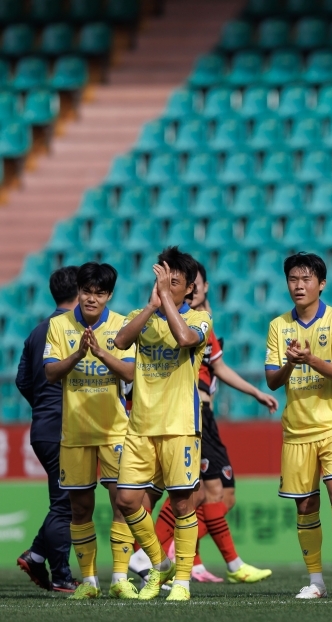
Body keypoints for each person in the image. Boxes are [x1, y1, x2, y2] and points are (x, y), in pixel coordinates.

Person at [149, 262, 275, 584]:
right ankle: (192, 557)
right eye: (193, 283)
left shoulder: (204, 321)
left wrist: (255, 392)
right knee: (205, 492)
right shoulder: (180, 321)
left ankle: (184, 555)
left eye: (199, 282)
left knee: (221, 494)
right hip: (192, 412)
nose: (197, 287)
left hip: (206, 413)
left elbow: (218, 367)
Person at [113, 247, 212, 602]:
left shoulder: (200, 320)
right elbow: (121, 341)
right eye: (162, 279)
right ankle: (159, 562)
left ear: (188, 289)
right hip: (140, 425)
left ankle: (181, 582)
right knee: (126, 500)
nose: (166, 286)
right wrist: (153, 306)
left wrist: (164, 305)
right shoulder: (143, 314)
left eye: (174, 282)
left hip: (180, 426)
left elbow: (185, 339)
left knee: (183, 503)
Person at [264, 252, 332, 599]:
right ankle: (316, 581)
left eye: (306, 279)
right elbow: (273, 381)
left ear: (322, 284)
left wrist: (311, 359)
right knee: (304, 505)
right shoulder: (278, 326)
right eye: (293, 279)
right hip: (297, 429)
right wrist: (290, 364)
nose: (299, 286)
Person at [42, 263, 137, 599]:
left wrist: (100, 353)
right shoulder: (59, 326)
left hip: (115, 431)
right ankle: (90, 582)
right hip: (76, 433)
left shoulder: (123, 324)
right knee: (80, 508)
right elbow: (51, 372)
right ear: (78, 292)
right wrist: (78, 354)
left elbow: (130, 372)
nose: (92, 298)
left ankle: (121, 578)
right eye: (87, 291)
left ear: (109, 295)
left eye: (99, 292)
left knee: (123, 504)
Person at [15, 266, 79, 593]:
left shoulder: (37, 331)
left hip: (42, 425)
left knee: (64, 498)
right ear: (80, 293)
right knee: (65, 502)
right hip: (65, 427)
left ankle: (37, 555)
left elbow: (22, 381)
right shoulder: (74, 330)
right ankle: (63, 575)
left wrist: (43, 405)